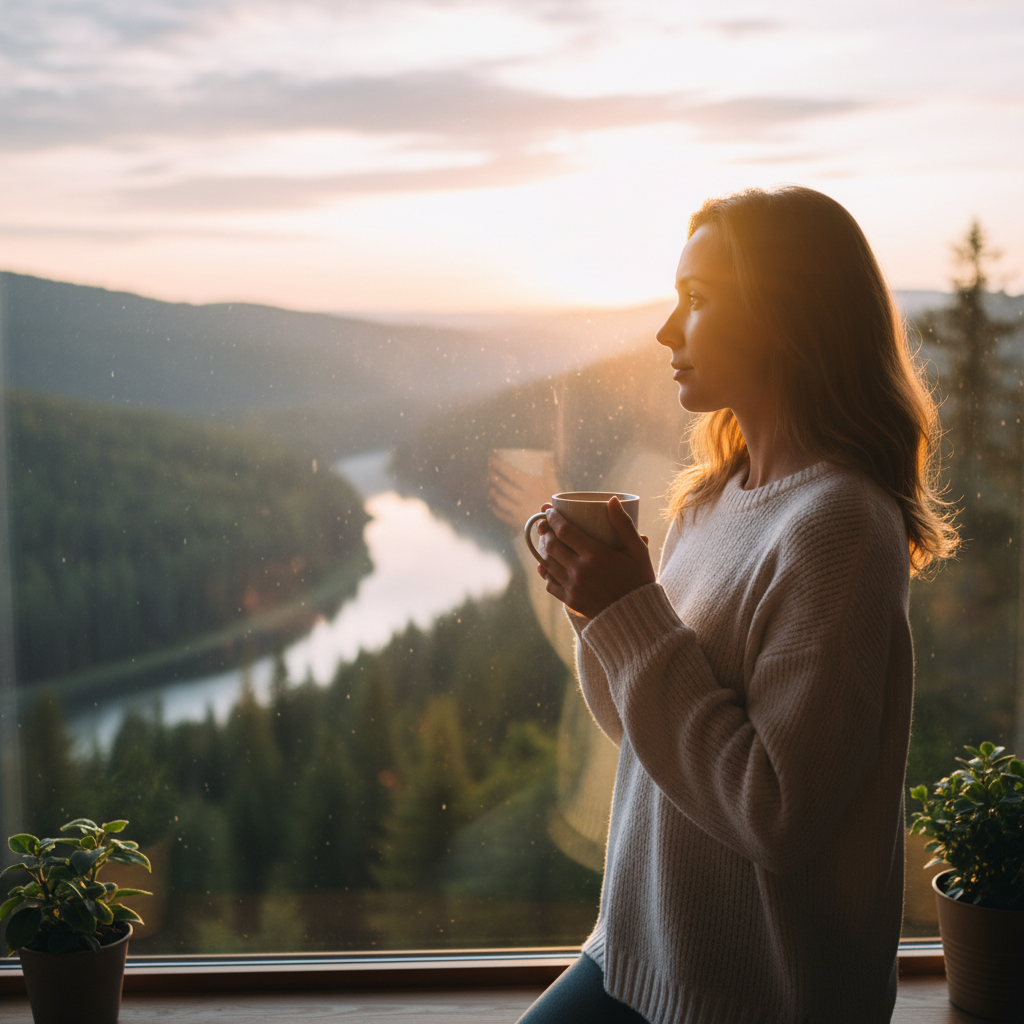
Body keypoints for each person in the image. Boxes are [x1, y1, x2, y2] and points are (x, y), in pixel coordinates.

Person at [515, 185, 957, 1024]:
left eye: (697, 300)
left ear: (786, 314)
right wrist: (599, 609)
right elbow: (646, 733)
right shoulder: (708, 501)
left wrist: (630, 617)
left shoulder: (838, 527)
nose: (665, 331)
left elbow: (776, 814)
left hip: (751, 998)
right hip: (635, 955)